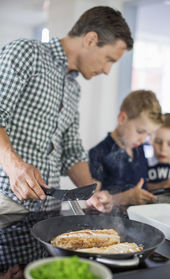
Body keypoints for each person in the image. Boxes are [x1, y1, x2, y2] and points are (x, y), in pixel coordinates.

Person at [0, 6, 133, 214]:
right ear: (90, 39)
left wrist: (92, 192)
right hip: (7, 202)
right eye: (109, 59)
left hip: (49, 210)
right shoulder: (27, 53)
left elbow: (71, 150)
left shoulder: (73, 88)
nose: (107, 71)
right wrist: (14, 166)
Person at [89, 90, 163, 206]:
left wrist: (162, 186)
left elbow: (141, 185)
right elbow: (94, 202)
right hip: (111, 222)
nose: (143, 140)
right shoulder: (98, 153)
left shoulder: (139, 149)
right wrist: (124, 198)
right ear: (122, 118)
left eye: (148, 134)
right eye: (140, 131)